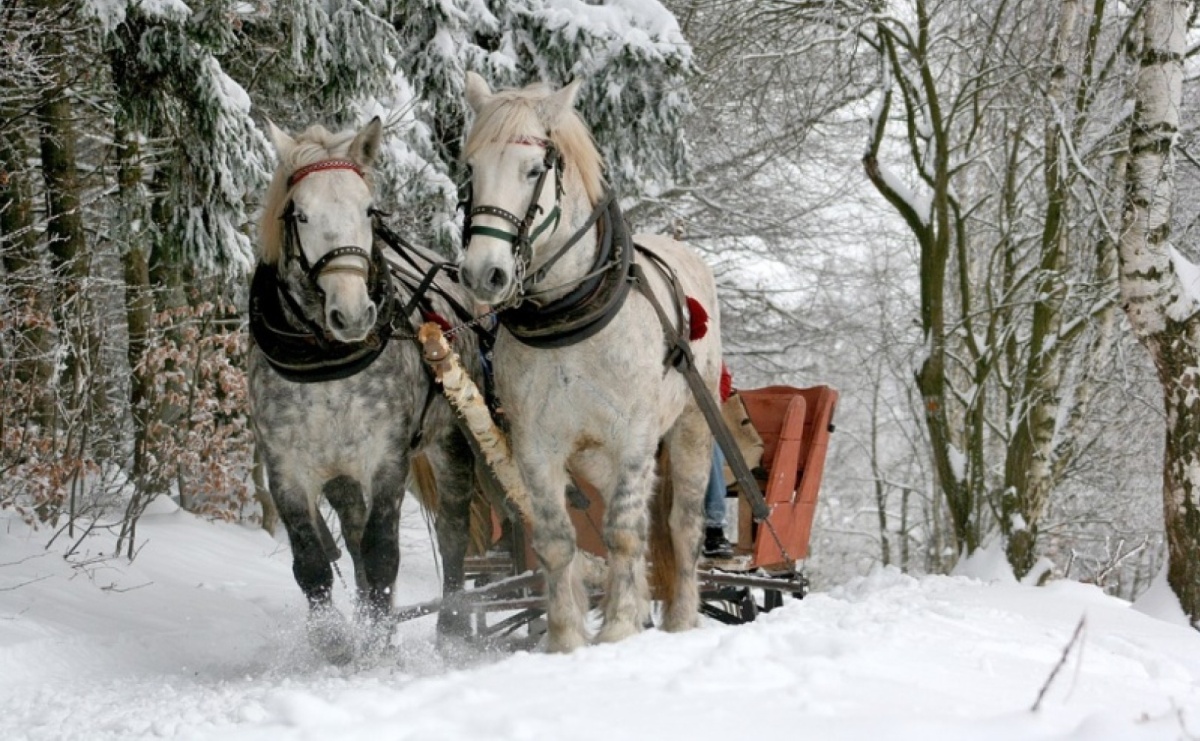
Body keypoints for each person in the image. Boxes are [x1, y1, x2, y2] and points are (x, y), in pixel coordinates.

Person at [703, 363, 735, 559]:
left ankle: (713, 528)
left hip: (694, 414)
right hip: (652, 416)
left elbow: (722, 379)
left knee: (709, 445)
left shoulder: (705, 342)